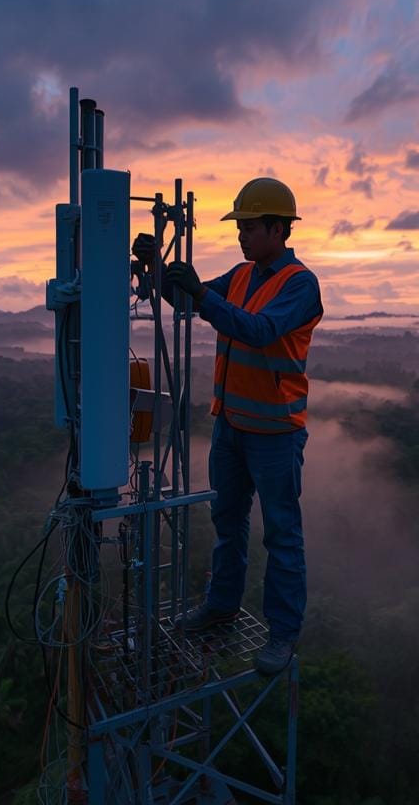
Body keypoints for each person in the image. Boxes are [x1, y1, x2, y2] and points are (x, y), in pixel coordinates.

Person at [132, 177, 322, 676]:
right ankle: (222, 605)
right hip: (231, 427)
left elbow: (257, 331)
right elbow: (192, 302)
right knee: (227, 524)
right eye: (240, 226)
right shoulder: (242, 275)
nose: (241, 235)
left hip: (275, 433)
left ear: (277, 229)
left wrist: (199, 294)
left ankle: (282, 634)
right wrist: (155, 271)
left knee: (281, 534)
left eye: (250, 226)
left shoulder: (300, 284)